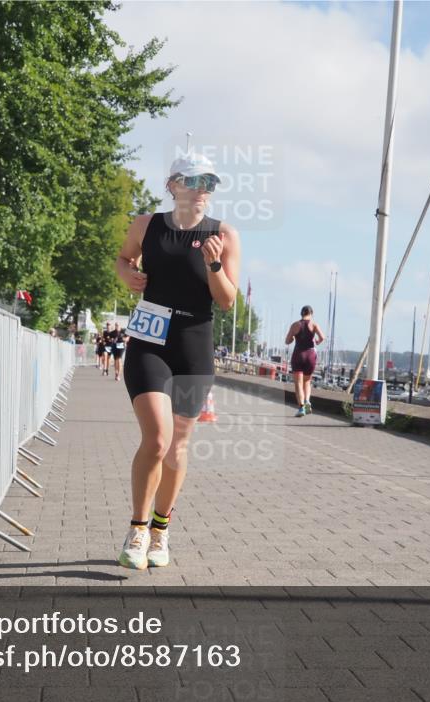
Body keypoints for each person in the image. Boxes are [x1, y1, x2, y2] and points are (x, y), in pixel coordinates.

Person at [114, 151, 240, 570]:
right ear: (173, 185)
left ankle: (161, 529)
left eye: (210, 183)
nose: (203, 190)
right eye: (195, 181)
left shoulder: (222, 234)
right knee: (157, 439)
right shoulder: (146, 225)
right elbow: (124, 257)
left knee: (178, 446)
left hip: (194, 342)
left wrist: (215, 264)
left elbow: (225, 300)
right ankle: (136, 528)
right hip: (150, 339)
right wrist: (126, 274)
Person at [285, 306, 325, 417]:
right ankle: (307, 401)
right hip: (310, 356)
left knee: (298, 383)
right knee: (307, 382)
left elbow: (287, 341)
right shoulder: (314, 324)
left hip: (298, 355)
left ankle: (302, 407)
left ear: (301, 314)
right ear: (311, 313)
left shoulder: (295, 325)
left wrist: (293, 339)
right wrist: (316, 341)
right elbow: (322, 337)